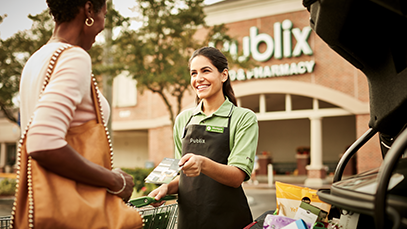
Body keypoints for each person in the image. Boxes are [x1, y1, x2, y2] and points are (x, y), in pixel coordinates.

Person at [17, 0, 141, 227]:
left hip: (46, 206)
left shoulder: (35, 60)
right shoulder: (74, 57)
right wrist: (115, 180)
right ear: (89, 10)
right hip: (74, 212)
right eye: (103, 14)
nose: (102, 26)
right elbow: (43, 142)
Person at [148, 46, 259, 229]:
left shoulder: (244, 118)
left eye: (205, 71)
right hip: (189, 221)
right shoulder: (183, 119)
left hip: (229, 221)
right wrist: (167, 188)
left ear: (224, 75)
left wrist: (203, 163)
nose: (198, 79)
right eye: (193, 73)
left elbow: (237, 176)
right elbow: (183, 175)